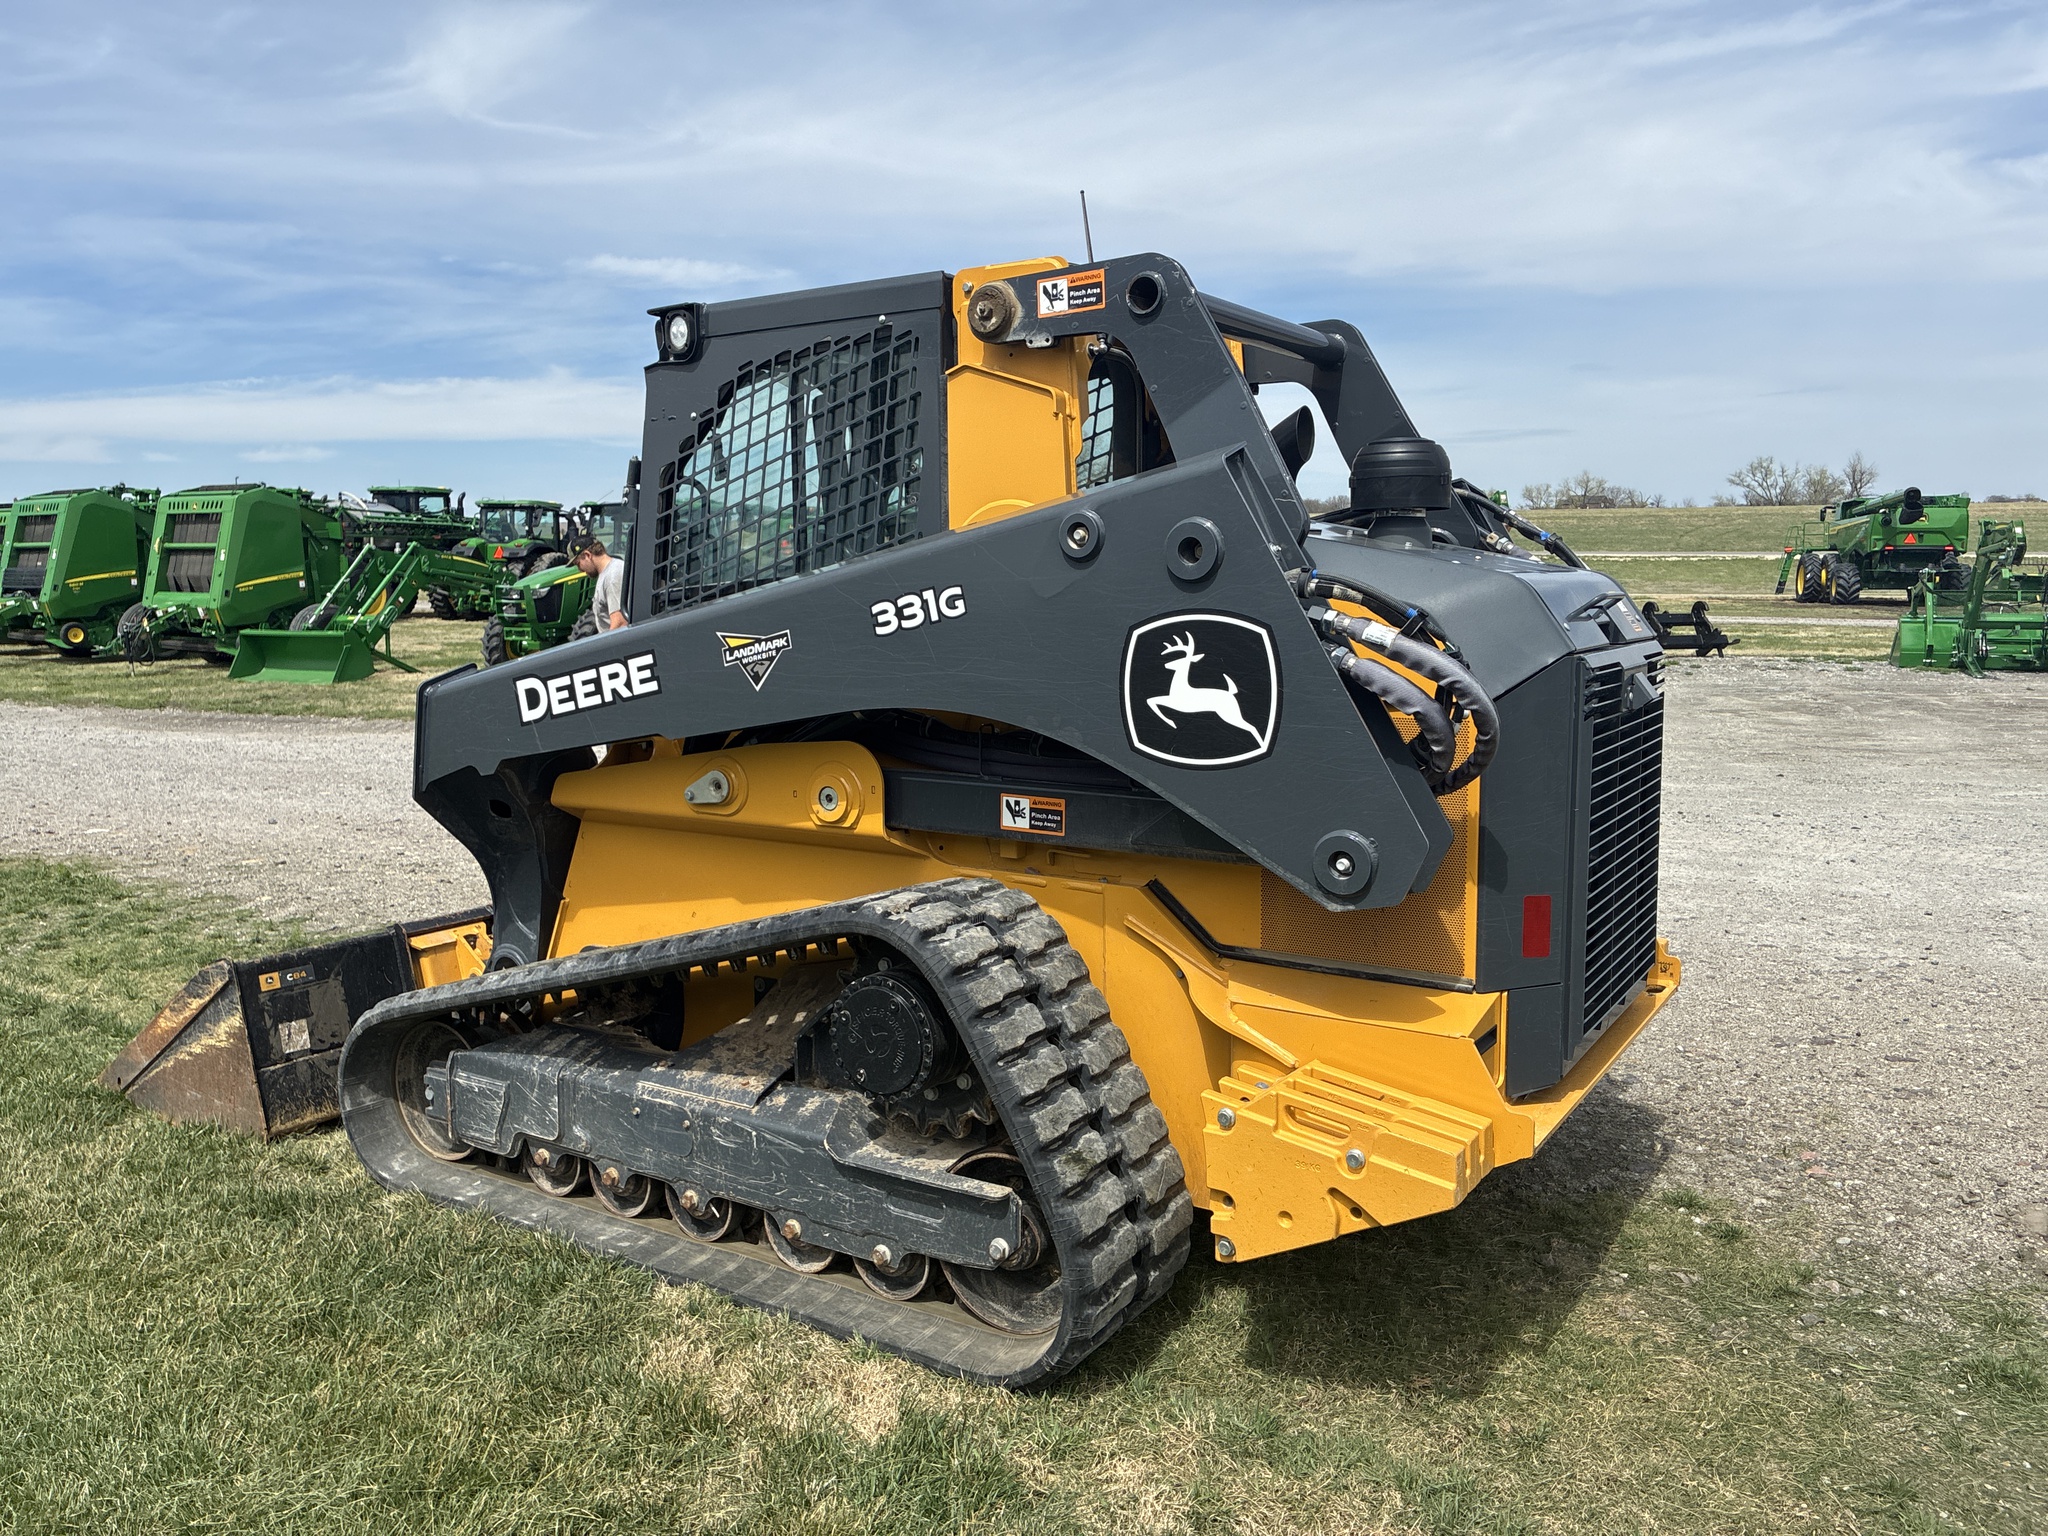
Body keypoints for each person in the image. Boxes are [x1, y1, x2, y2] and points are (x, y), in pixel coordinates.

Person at [572, 538, 627, 630]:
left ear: (587, 555)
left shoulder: (612, 577)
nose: (580, 570)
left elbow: (620, 624)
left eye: (578, 564)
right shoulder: (606, 574)